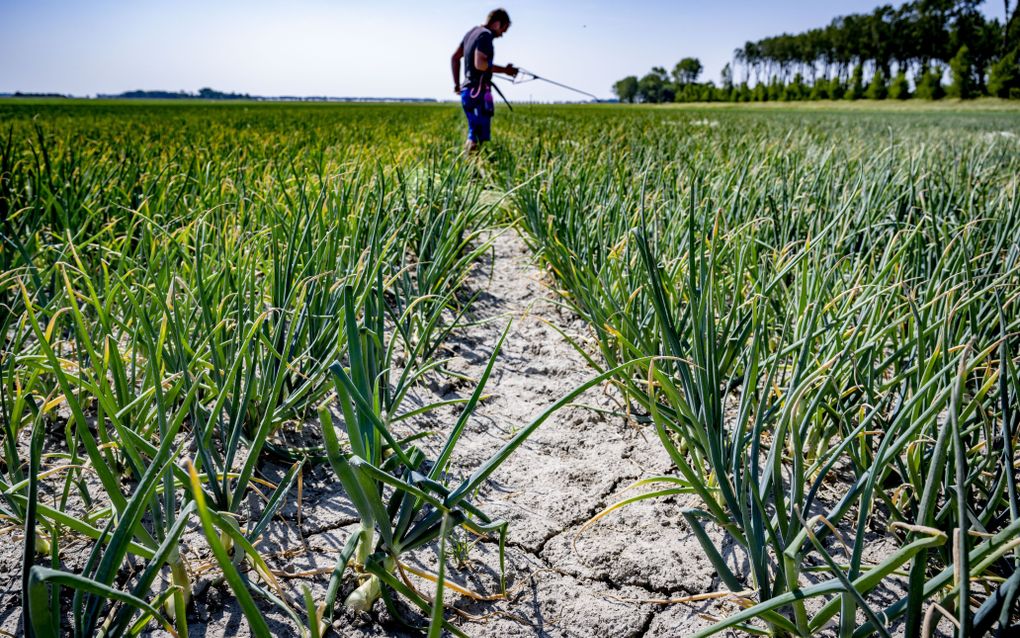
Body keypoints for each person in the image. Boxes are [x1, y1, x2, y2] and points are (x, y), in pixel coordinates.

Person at [451, 9, 518, 152]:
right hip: (478, 93)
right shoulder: (485, 35)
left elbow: (455, 58)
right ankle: (471, 172)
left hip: (468, 91)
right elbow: (480, 64)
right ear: (497, 23)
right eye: (503, 30)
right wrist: (506, 71)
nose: (502, 35)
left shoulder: (471, 33)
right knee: (475, 137)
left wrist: (457, 85)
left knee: (474, 134)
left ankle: (471, 170)